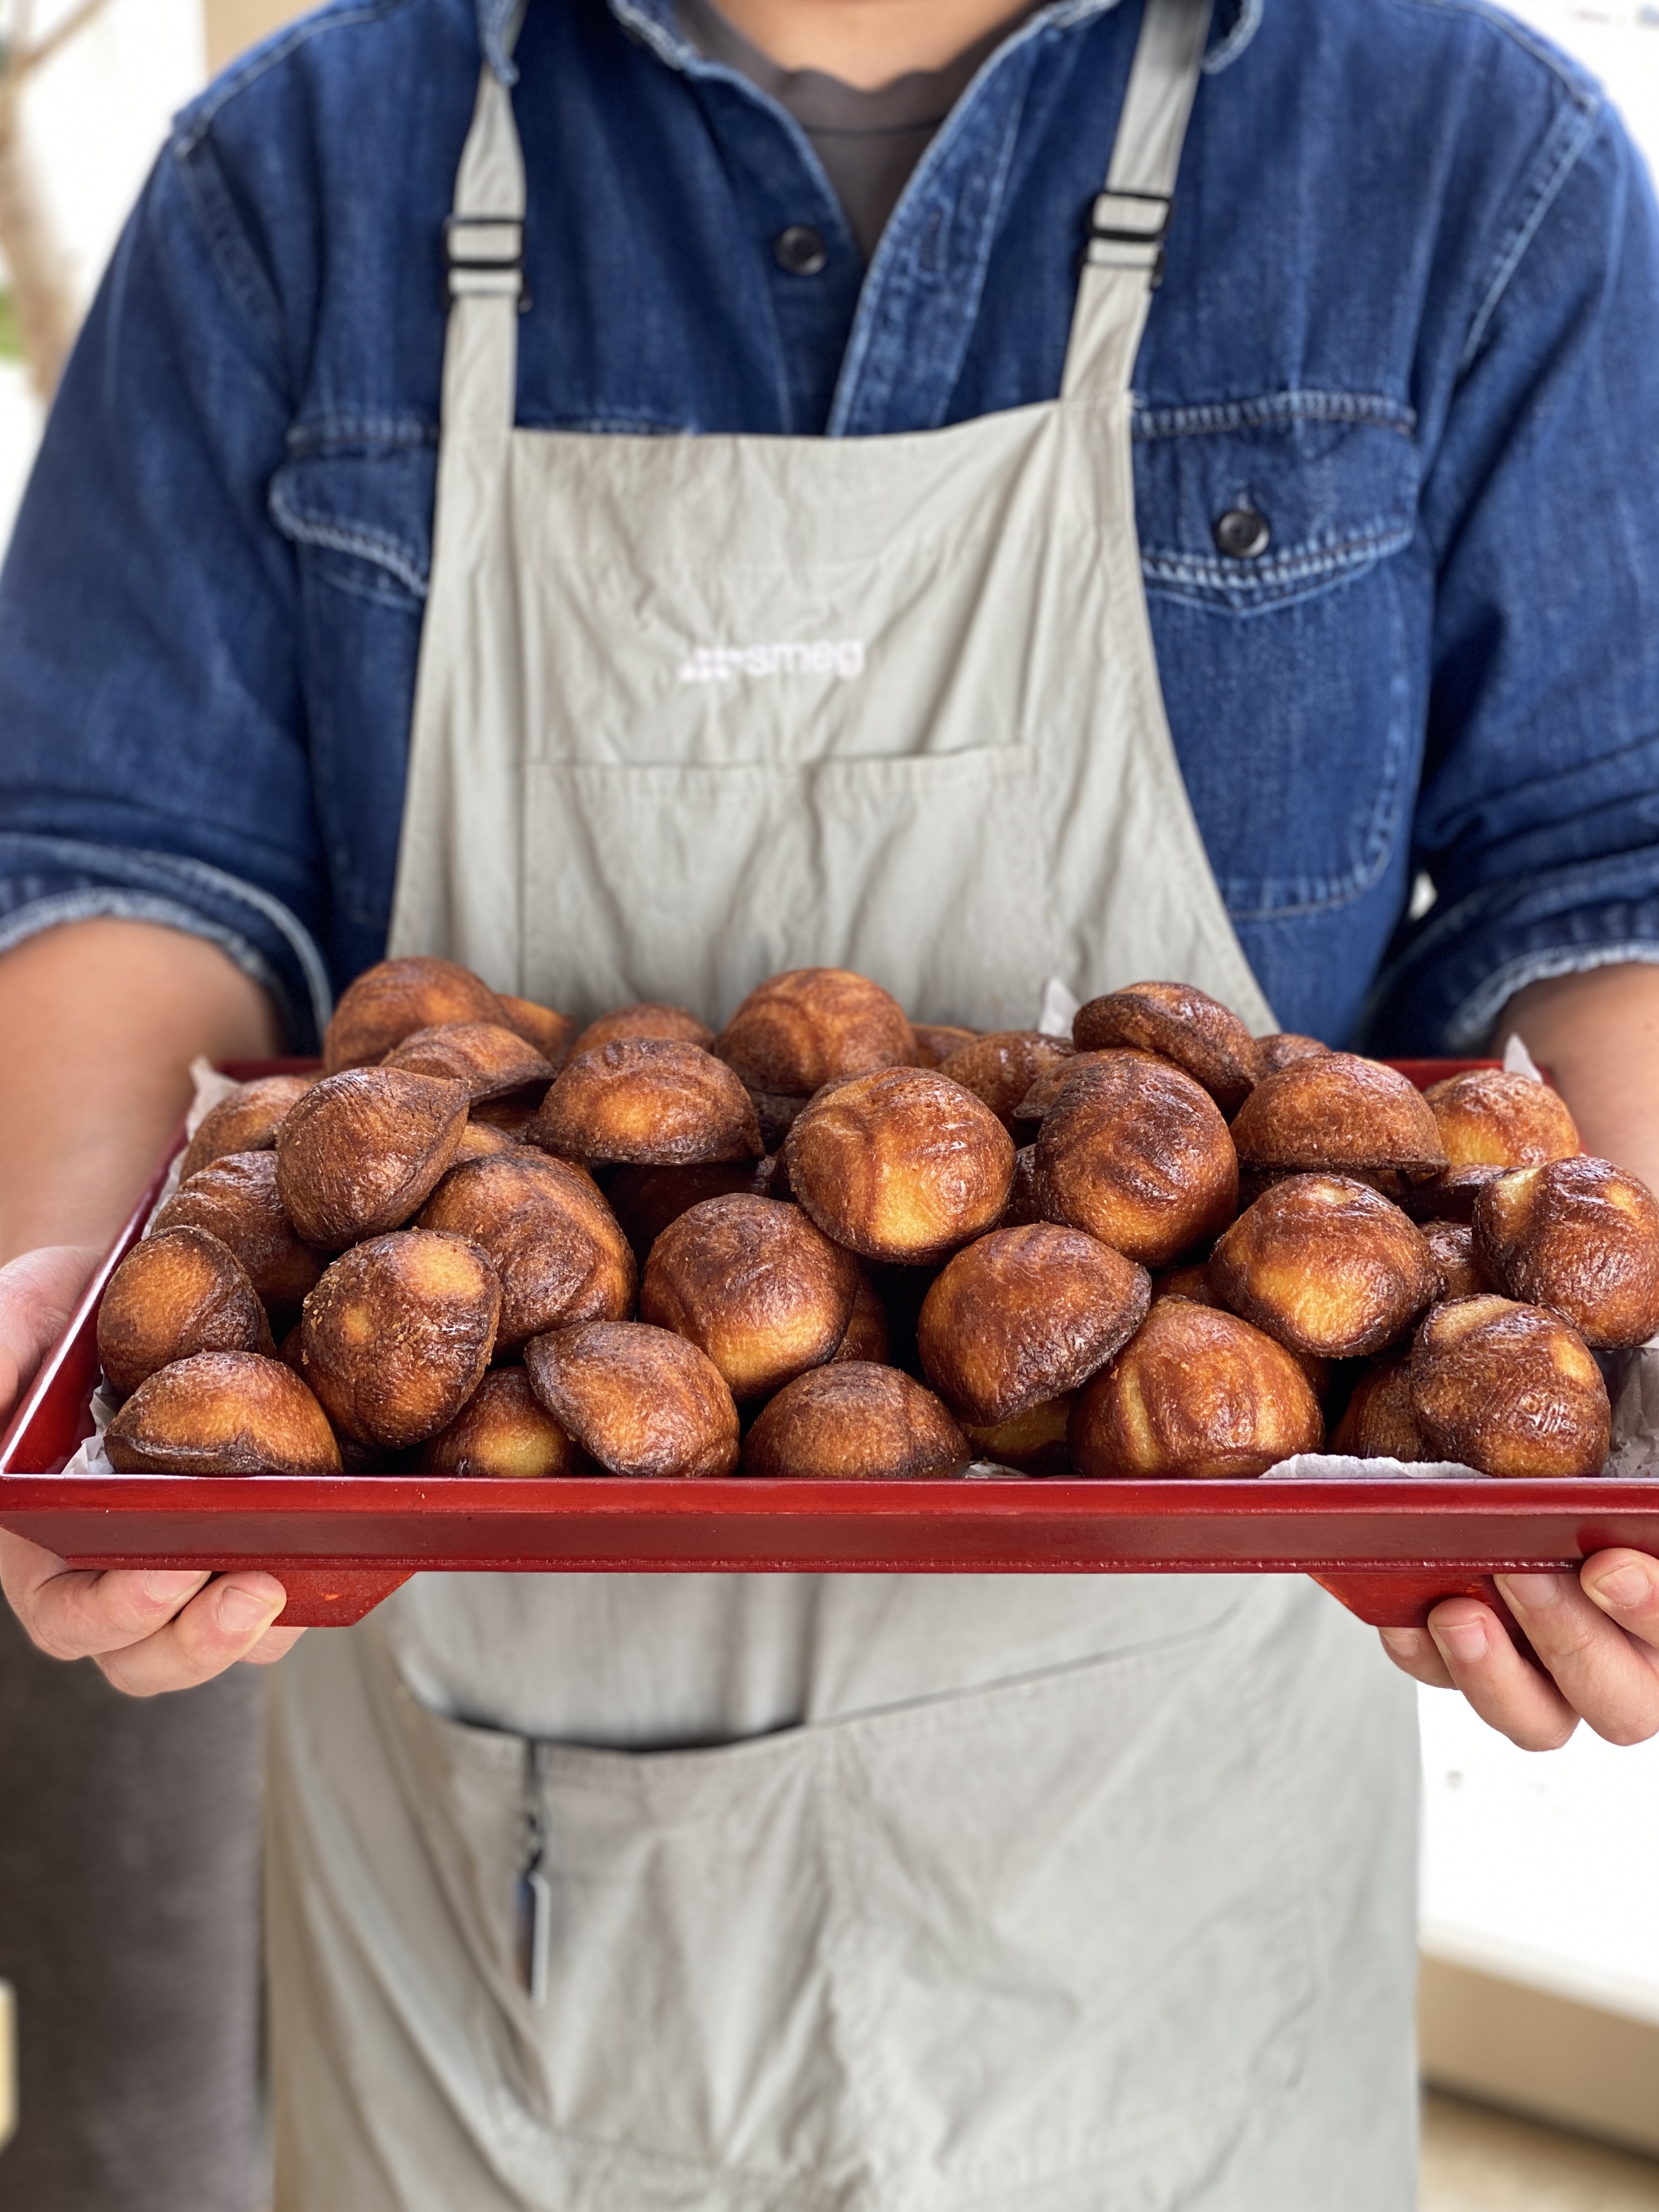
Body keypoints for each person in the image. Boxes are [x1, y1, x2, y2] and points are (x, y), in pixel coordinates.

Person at [3, 0, 1659, 2201]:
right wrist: (108, 1359)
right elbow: (133, 869)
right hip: (488, 1878)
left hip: (1181, 1831)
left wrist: (1613, 1409)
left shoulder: (1467, 153)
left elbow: (1604, 873)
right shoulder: (292, 171)